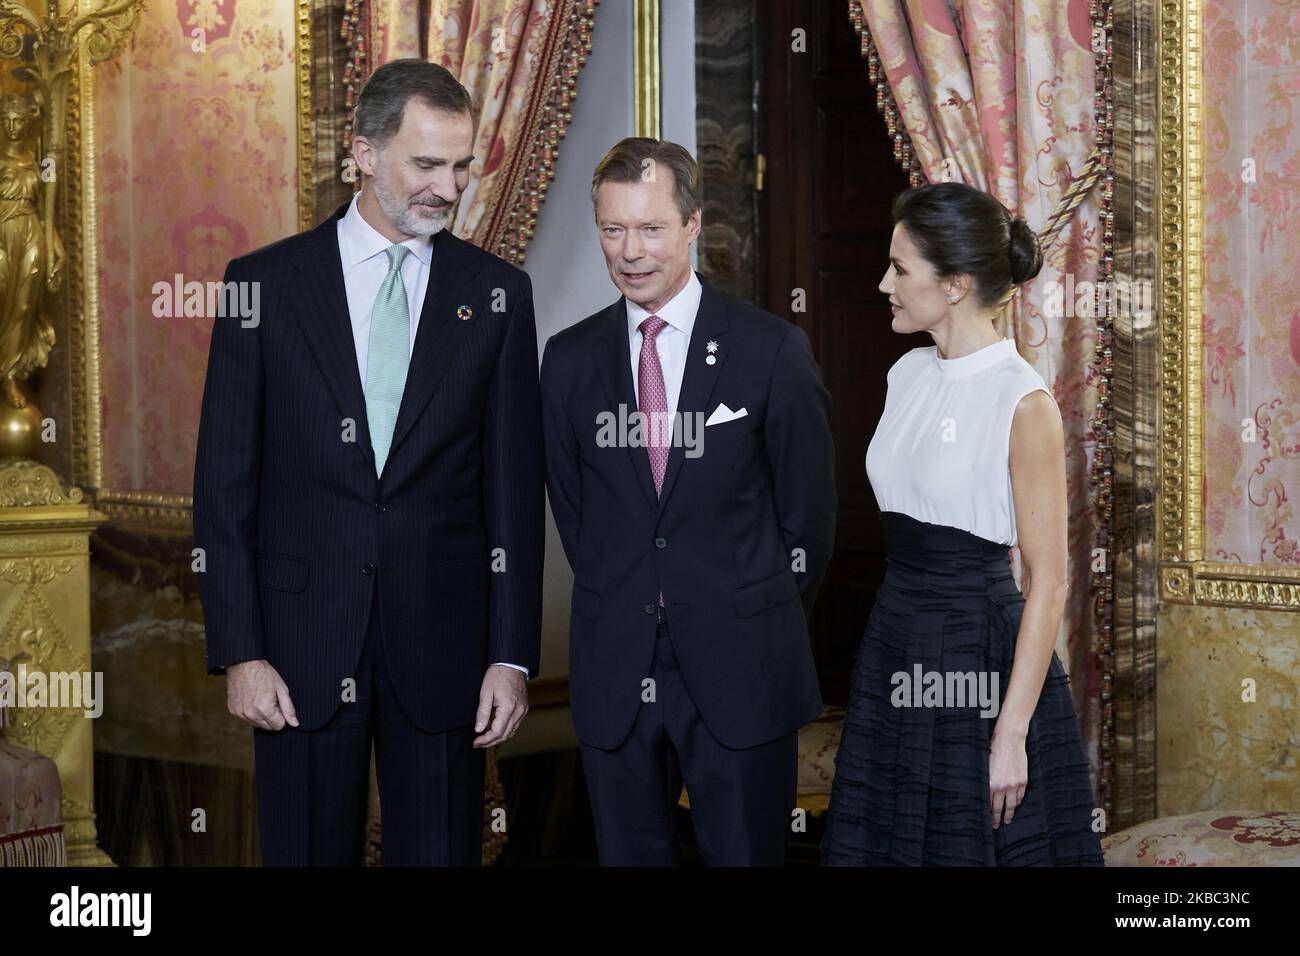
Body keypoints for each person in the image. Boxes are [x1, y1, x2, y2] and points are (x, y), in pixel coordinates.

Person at [193, 59, 544, 866]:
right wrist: (241, 651)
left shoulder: (497, 295)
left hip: (446, 649)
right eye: (426, 164)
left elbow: (514, 493)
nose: (447, 188)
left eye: (460, 166)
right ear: (363, 151)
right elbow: (223, 485)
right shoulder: (262, 286)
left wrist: (510, 654)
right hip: (297, 648)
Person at [540, 138, 837, 865]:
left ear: (694, 223)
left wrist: (738, 610)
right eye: (613, 229)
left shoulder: (771, 349)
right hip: (617, 670)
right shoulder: (569, 359)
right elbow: (580, 519)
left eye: (650, 228)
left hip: (742, 670)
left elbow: (809, 520)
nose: (630, 251)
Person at [820, 181, 1103, 866]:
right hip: (895, 637)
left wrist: (1010, 733)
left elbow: (1050, 584)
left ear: (954, 285)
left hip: (980, 653)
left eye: (900, 269)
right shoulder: (907, 375)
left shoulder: (1022, 400)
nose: (884, 282)